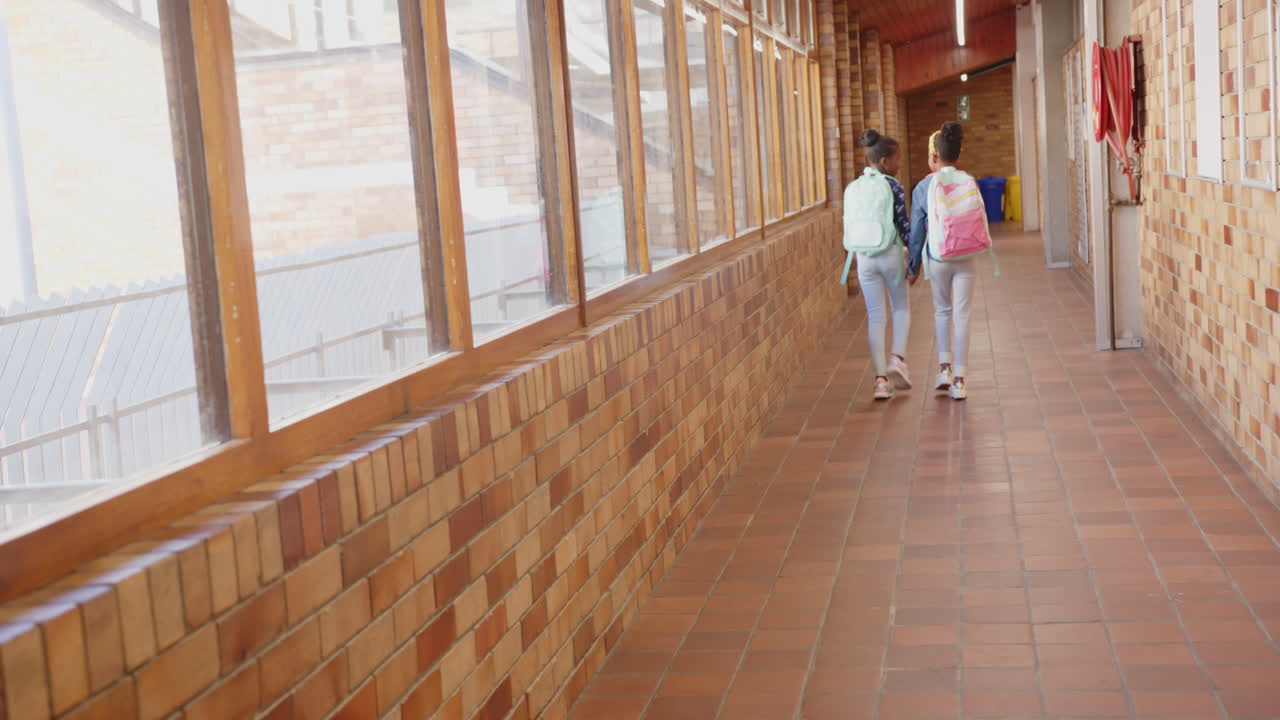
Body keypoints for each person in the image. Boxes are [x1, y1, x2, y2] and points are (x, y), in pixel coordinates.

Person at [908, 122, 982, 401]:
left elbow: (916, 231)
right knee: (962, 315)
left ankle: (944, 370)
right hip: (966, 256)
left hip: (938, 256)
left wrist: (913, 266)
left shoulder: (924, 186)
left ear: (933, 156)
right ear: (958, 154)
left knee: (942, 311)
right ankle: (960, 382)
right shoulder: (968, 180)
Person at [843, 129, 911, 401]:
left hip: (863, 258)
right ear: (885, 162)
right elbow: (903, 225)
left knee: (875, 316)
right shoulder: (893, 186)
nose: (899, 164)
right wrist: (914, 256)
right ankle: (897, 359)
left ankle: (880, 381)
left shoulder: (855, 187)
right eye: (897, 159)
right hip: (890, 253)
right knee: (900, 307)